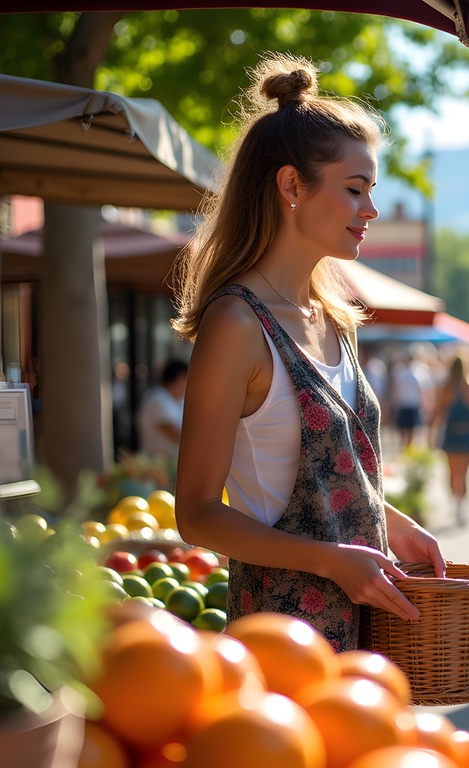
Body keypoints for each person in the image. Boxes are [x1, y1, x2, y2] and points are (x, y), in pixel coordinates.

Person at [171, 54, 444, 652]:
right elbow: (195, 513)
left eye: (371, 191)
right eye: (355, 190)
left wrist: (392, 524)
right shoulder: (237, 324)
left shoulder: (335, 316)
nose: (370, 210)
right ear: (292, 185)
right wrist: (330, 561)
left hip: (365, 632)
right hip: (283, 641)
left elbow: (335, 478)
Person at [430, 347, 469, 527]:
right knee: (464, 474)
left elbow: (437, 413)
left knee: (451, 471)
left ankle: (455, 504)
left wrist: (430, 434)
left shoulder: (446, 386)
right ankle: (461, 505)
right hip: (466, 434)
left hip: (450, 433)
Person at [135, 359, 189, 460]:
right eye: (188, 378)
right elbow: (180, 438)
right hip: (156, 465)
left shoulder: (179, 400)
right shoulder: (157, 400)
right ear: (179, 378)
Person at [390, 349, 433, 449]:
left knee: (412, 430)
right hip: (404, 404)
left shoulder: (419, 372)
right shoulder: (400, 371)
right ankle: (404, 449)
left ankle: (408, 450)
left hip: (413, 404)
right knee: (403, 430)